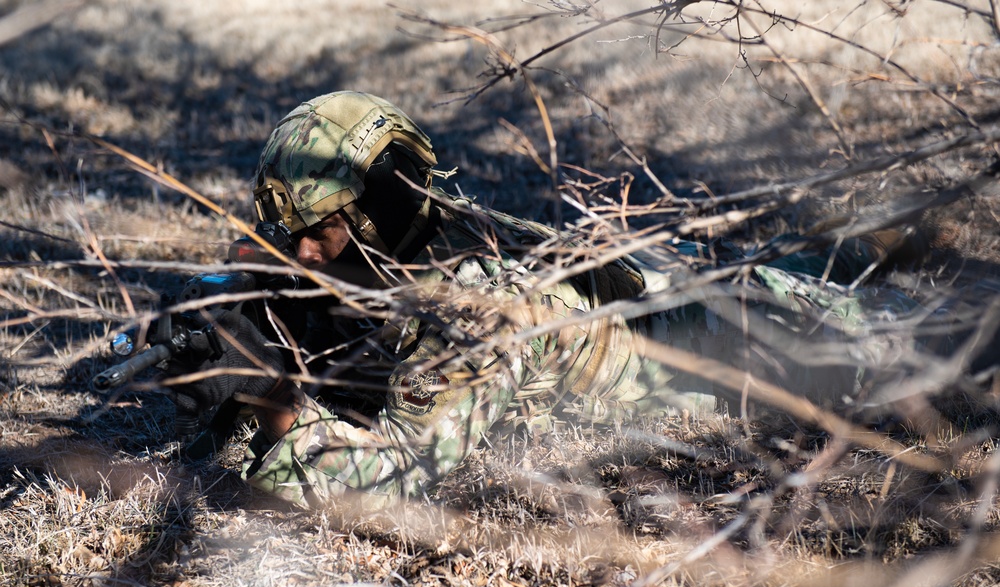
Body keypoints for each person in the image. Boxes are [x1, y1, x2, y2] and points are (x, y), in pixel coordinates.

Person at [163, 91, 951, 509]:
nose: (302, 253)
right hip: (681, 289)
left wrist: (275, 404)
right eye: (289, 232)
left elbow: (391, 476)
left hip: (739, 347)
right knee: (816, 265)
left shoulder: (469, 311)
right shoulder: (394, 249)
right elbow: (312, 304)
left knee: (937, 340)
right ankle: (863, 246)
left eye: (321, 229)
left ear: (382, 205)